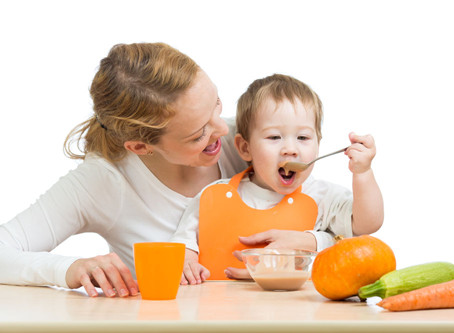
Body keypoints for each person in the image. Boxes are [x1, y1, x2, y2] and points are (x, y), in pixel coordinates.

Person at [0, 42, 252, 298]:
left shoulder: (253, 144)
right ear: (141, 147)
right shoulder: (105, 181)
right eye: (199, 134)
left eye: (216, 104)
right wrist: (70, 268)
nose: (222, 129)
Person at [171, 74, 384, 284]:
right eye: (274, 137)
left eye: (303, 137)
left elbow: (367, 224)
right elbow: (183, 245)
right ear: (245, 148)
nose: (290, 149)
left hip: (297, 314)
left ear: (318, 144)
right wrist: (187, 259)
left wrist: (363, 173)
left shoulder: (323, 196)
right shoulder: (212, 196)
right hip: (221, 312)